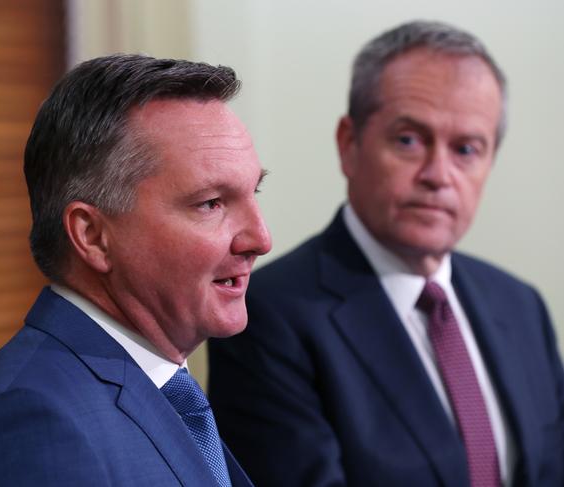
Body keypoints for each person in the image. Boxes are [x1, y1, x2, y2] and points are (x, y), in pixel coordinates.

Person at [208, 20, 564, 487]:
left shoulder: (521, 306)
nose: (439, 174)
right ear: (349, 144)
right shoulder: (268, 316)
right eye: (409, 140)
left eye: (466, 149)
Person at [0, 54, 271, 486]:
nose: (259, 239)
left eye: (254, 192)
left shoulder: (158, 388)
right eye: (211, 203)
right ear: (92, 236)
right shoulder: (29, 425)